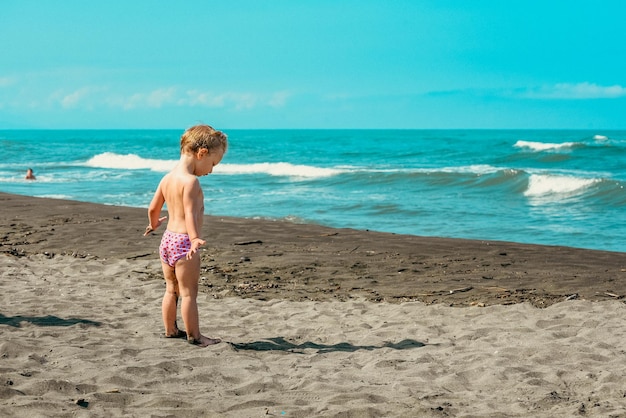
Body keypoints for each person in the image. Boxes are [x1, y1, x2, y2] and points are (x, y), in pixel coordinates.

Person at [144, 124, 227, 347]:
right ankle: (196, 337)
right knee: (189, 293)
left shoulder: (167, 178)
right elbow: (190, 214)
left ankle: (170, 330)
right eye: (212, 163)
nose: (211, 170)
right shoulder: (191, 182)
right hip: (183, 243)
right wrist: (194, 239)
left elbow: (153, 209)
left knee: (171, 289)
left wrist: (153, 225)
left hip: (167, 240)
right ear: (202, 154)